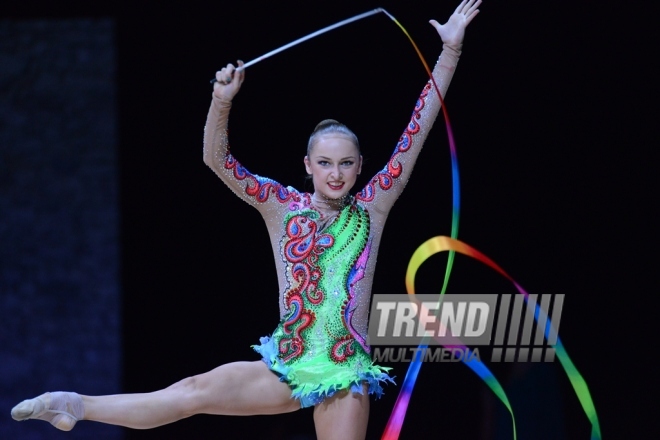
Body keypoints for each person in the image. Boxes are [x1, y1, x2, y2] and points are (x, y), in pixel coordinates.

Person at [10, 1, 480, 438]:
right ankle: (75, 403)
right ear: (307, 164)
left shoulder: (373, 207)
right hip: (287, 366)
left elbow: (418, 128)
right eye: (325, 163)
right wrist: (222, 100)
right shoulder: (281, 205)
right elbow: (217, 160)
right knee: (192, 390)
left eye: (346, 163)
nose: (335, 174)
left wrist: (450, 51)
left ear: (360, 166)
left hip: (344, 372)